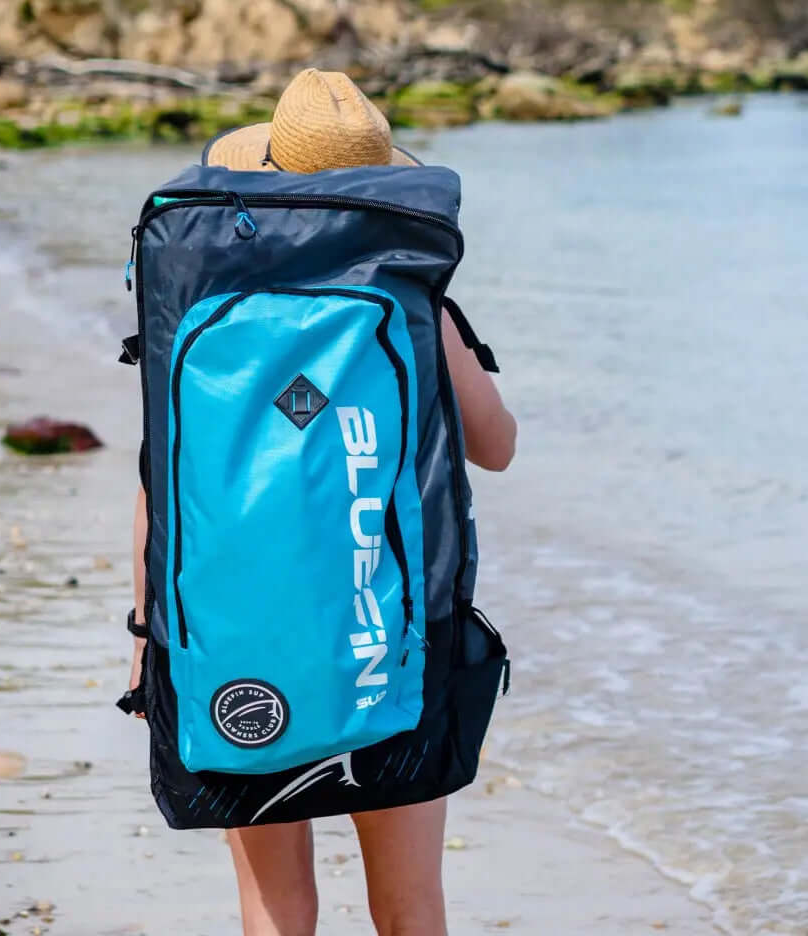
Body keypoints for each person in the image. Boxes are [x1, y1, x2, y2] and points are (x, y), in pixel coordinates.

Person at [126, 69, 517, 936]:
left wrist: (147, 640)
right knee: (411, 906)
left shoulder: (198, 299)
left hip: (234, 651)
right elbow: (498, 447)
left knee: (276, 909)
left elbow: (165, 493)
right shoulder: (414, 304)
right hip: (395, 649)